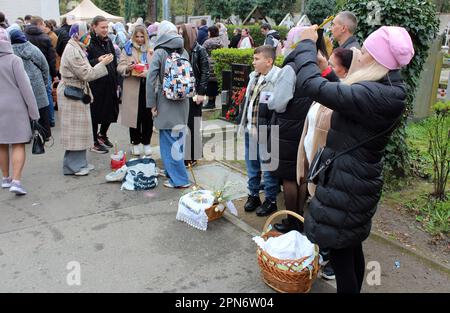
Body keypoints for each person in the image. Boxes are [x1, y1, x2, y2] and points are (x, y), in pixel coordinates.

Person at [286, 25, 414, 293]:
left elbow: (311, 86)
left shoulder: (377, 93)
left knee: (342, 257)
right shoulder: (388, 87)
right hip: (356, 180)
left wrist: (307, 44)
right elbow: (349, 100)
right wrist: (326, 69)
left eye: (367, 50)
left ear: (377, 59)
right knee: (351, 248)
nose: (361, 54)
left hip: (348, 184)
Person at [267, 26, 313, 232]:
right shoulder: (313, 64)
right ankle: (300, 217)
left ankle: (292, 221)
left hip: (288, 130)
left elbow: (279, 103)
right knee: (302, 175)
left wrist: (269, 101)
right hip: (307, 125)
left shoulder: (290, 67)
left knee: (288, 176)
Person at [58, 21, 113, 176]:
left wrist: (98, 62)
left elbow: (86, 69)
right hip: (72, 93)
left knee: (81, 131)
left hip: (77, 92)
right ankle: (72, 166)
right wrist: (102, 63)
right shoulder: (72, 50)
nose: (88, 36)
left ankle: (80, 163)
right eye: (86, 33)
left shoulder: (77, 47)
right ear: (77, 34)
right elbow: (87, 74)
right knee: (74, 132)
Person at [146, 21, 191, 189]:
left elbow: (151, 80)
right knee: (178, 141)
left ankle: (179, 179)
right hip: (182, 101)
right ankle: (174, 173)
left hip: (165, 101)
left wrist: (151, 103)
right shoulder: (184, 50)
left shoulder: (159, 52)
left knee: (167, 142)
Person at [238, 45, 281, 217]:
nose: (253, 62)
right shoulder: (254, 77)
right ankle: (253, 195)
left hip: (267, 132)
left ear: (269, 61)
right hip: (251, 129)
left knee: (268, 167)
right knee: (252, 164)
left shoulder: (277, 79)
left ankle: (270, 200)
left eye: (257, 59)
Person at [0, 28, 40, 195]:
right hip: (15, 108)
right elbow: (26, 88)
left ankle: (5, 178)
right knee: (18, 143)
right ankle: (16, 181)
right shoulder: (14, 60)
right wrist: (34, 113)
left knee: (1, 144)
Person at [117, 25, 154, 157]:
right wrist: (128, 67)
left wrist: (147, 72)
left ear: (146, 36)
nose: (139, 39)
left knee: (148, 117)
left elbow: (157, 68)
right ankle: (135, 142)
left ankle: (147, 142)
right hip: (132, 86)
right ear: (133, 36)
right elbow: (119, 67)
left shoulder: (151, 49)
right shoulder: (127, 48)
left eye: (142, 36)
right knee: (134, 117)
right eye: (137, 36)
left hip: (148, 86)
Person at [10, 29, 51, 139]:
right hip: (37, 83)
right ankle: (45, 134)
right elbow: (44, 66)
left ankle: (27, 135)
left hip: (20, 85)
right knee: (42, 108)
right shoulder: (33, 49)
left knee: (25, 109)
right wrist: (45, 81)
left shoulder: (10, 53)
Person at [87, 16, 120, 154]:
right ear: (94, 27)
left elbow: (114, 61)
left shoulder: (108, 41)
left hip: (110, 81)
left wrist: (117, 81)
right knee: (95, 113)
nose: (106, 30)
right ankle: (94, 141)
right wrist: (97, 60)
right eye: (102, 27)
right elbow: (84, 63)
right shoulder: (88, 42)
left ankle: (102, 135)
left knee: (112, 111)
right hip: (96, 83)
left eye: (107, 27)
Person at [179, 23, 210, 167]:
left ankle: (193, 155)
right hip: (182, 93)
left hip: (195, 94)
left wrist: (201, 92)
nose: (179, 35)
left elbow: (205, 72)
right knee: (183, 124)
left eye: (181, 33)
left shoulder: (200, 50)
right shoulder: (179, 49)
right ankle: (184, 154)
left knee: (193, 124)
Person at [25, 16, 58, 127]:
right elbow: (51, 58)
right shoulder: (45, 38)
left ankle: (35, 121)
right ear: (39, 24)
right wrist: (54, 74)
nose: (44, 27)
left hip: (27, 70)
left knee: (30, 95)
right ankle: (50, 120)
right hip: (44, 69)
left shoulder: (24, 37)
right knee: (47, 93)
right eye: (43, 24)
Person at [202, 25, 223, 110]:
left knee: (209, 83)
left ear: (211, 32)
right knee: (214, 83)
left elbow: (202, 51)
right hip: (217, 64)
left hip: (209, 64)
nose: (208, 33)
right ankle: (213, 102)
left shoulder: (207, 42)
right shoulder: (220, 41)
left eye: (209, 31)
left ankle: (210, 103)